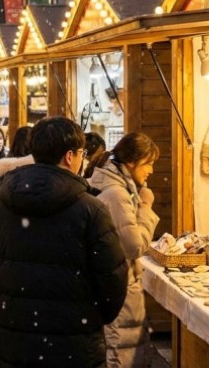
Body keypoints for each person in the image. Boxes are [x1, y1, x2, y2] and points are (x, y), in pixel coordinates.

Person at [0, 117, 129, 367]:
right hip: (75, 344)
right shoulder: (92, 210)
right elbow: (112, 280)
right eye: (82, 153)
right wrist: (89, 316)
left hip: (16, 337)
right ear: (70, 156)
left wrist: (8, 301)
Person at [87, 132, 160, 367]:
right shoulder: (117, 194)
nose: (151, 170)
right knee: (120, 352)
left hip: (111, 283)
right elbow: (135, 246)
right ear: (131, 162)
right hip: (120, 285)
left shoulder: (111, 184)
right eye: (148, 163)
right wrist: (146, 206)